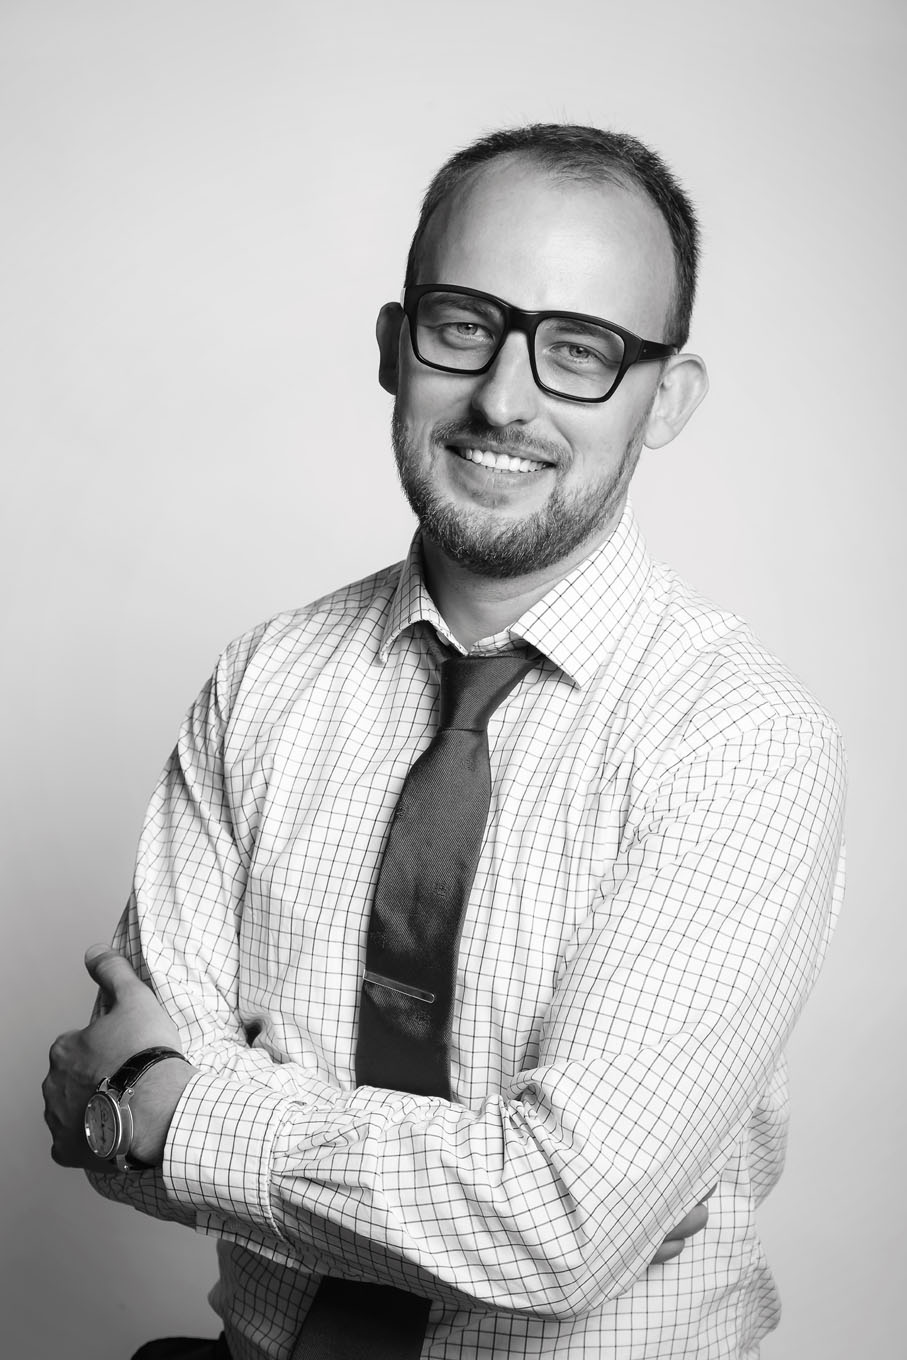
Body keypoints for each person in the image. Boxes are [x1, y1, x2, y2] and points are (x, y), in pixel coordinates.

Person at [43, 124, 845, 1360]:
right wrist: (156, 1116)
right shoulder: (262, 682)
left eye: (580, 349)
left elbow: (561, 1228)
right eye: (464, 323)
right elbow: (109, 1123)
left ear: (666, 399)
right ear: (392, 344)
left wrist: (191, 1114)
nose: (504, 399)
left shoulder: (741, 745)